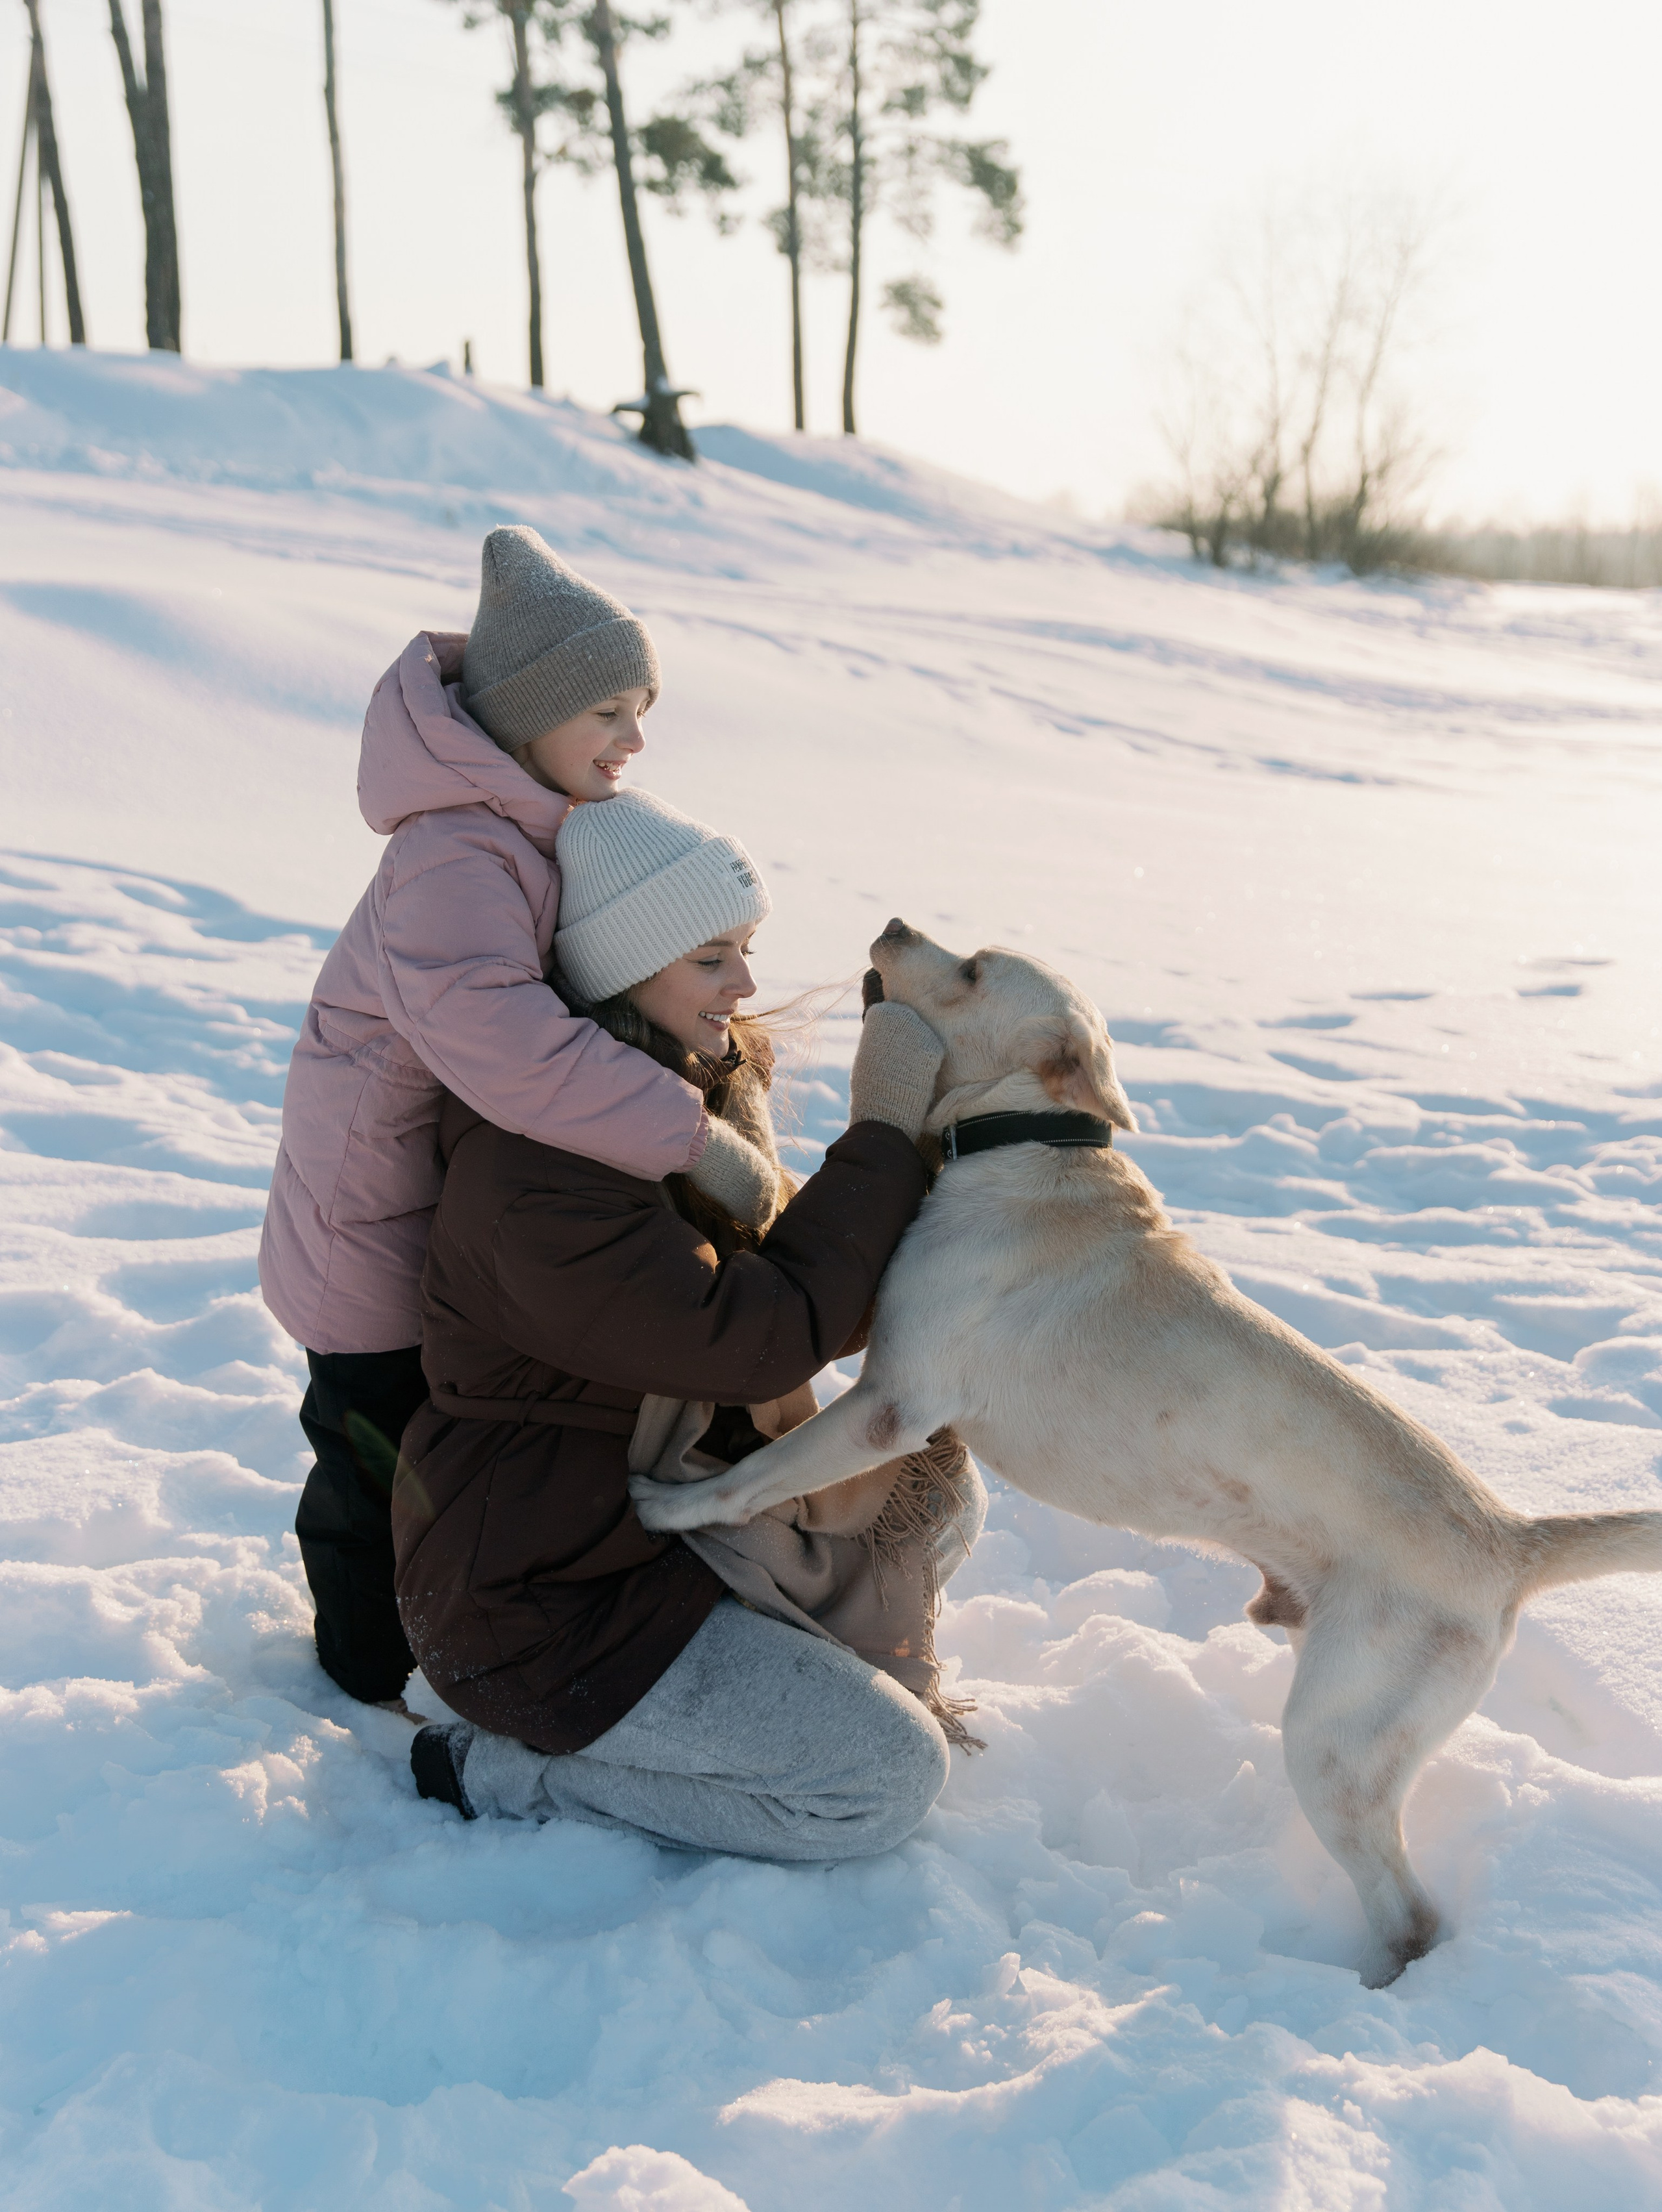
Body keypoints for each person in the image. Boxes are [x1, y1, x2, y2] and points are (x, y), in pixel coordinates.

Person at [396, 789, 986, 1860]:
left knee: (933, 1480)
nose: (748, 985)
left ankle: (790, 1678)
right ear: (625, 965)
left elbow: (806, 1303)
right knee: (879, 1783)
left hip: (651, 1520)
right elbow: (759, 1333)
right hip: (543, 1602)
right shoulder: (540, 1172)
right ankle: (509, 1769)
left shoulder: (676, 1114)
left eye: (747, 949)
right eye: (713, 956)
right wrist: (883, 1134)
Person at [258, 528, 775, 1706]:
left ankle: (424, 1624)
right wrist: (689, 1138)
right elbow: (505, 1045)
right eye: (607, 710)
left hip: (426, 1217)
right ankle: (362, 1665)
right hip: (364, 1232)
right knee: (370, 1447)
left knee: (421, 1447)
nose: (635, 741)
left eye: (641, 710)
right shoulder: (454, 856)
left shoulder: (517, 829)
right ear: (525, 716)